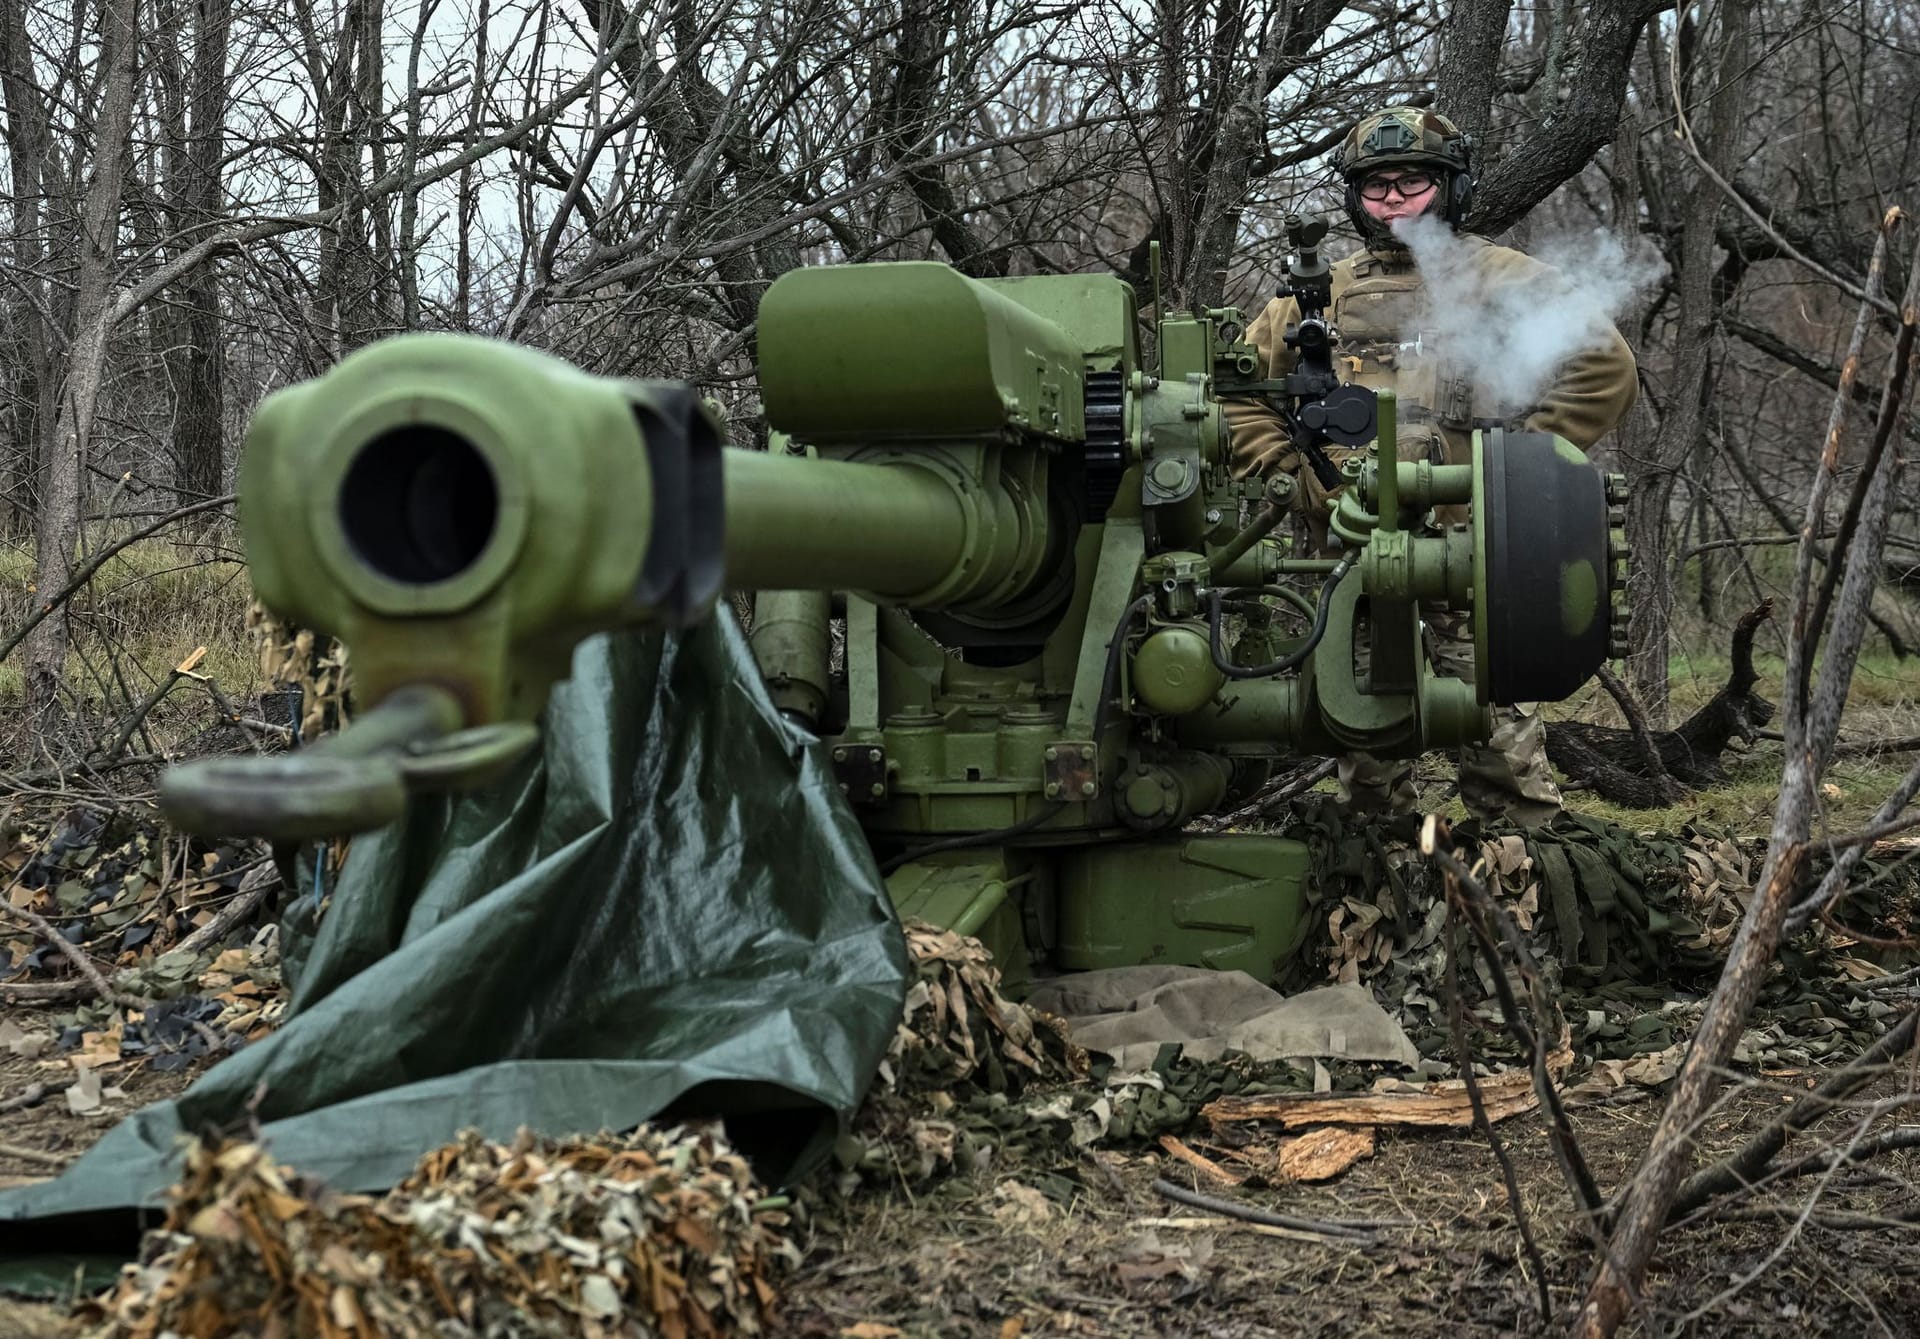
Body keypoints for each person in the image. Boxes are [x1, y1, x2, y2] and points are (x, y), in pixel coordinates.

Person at [1223, 105, 1638, 826]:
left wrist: (1515, 468)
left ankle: (1526, 880)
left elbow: (1605, 367)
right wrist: (1290, 474)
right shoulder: (1310, 295)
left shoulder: (1500, 277)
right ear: (1354, 198)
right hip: (1346, 554)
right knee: (1363, 744)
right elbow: (1236, 391)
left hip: (1470, 551)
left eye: (1411, 184)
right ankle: (1376, 888)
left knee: (1498, 736)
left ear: (1450, 188)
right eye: (1377, 187)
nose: (1394, 201)